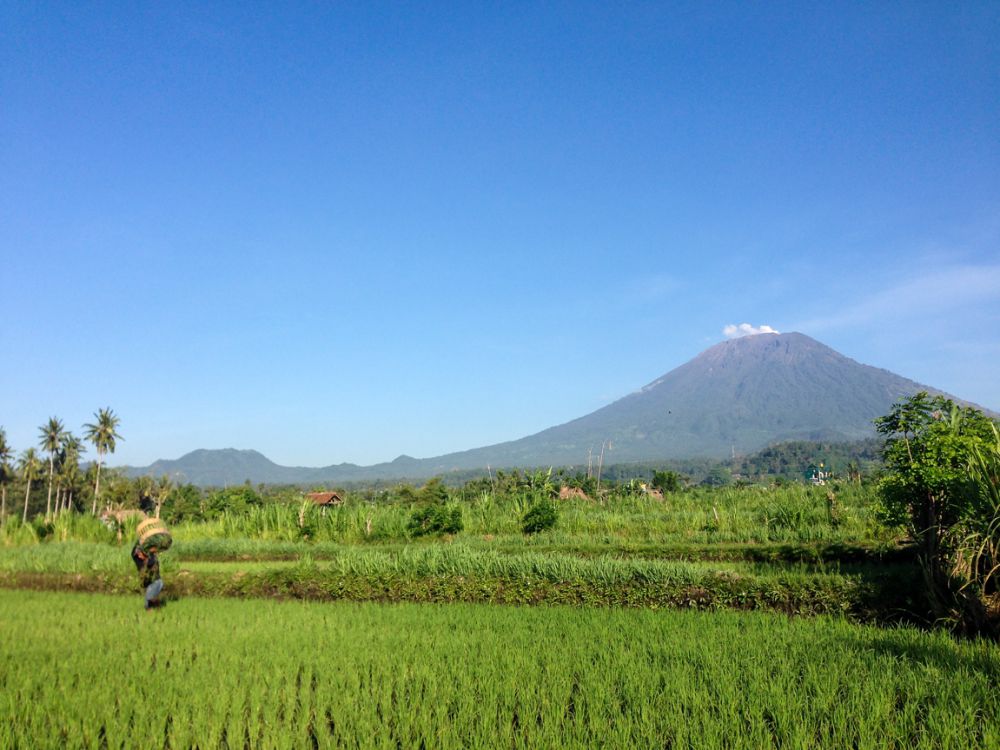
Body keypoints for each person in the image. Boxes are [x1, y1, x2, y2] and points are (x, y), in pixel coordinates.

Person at [131, 541, 163, 611]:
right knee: (148, 602)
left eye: (140, 554)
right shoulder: (138, 560)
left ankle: (155, 608)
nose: (139, 556)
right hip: (148, 584)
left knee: (149, 600)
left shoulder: (152, 559)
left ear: (145, 553)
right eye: (138, 554)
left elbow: (151, 560)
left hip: (157, 582)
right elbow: (133, 553)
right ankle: (157, 609)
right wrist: (141, 539)